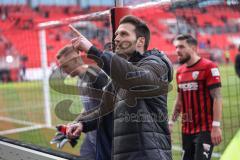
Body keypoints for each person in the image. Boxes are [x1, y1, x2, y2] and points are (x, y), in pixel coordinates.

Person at [66, 15, 173, 160]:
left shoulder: (156, 64)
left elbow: (136, 80)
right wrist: (82, 123)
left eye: (124, 34)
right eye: (116, 34)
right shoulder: (120, 75)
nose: (116, 38)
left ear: (140, 41)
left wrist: (93, 51)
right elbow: (105, 110)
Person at [169, 34, 223, 160]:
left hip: (205, 129)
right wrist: (171, 122)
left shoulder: (209, 67)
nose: (177, 50)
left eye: (181, 47)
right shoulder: (180, 71)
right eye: (176, 47)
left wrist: (216, 126)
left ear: (193, 48)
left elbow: (217, 97)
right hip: (186, 129)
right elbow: (179, 100)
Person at [56, 45, 110, 160]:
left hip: (104, 138)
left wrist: (83, 124)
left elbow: (109, 108)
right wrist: (74, 124)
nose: (63, 70)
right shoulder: (80, 80)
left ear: (76, 60)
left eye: (65, 66)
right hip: (91, 137)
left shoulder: (96, 76)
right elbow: (88, 108)